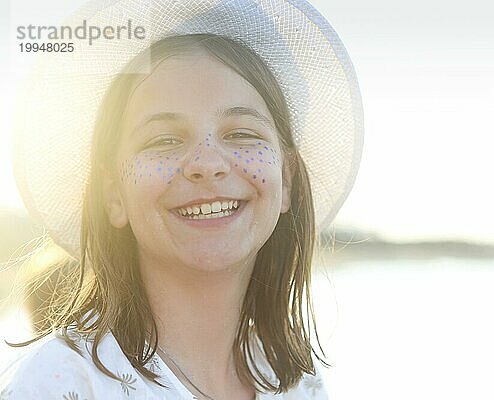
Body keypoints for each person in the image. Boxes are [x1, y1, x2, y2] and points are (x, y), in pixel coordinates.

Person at [0, 1, 363, 399]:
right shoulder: (65, 382)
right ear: (113, 195)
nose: (207, 164)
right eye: (164, 140)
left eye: (242, 133)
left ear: (287, 180)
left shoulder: (296, 382)